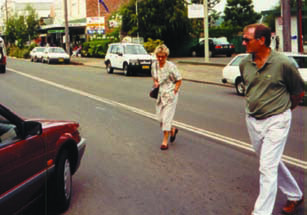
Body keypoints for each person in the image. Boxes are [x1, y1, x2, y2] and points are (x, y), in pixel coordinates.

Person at [239, 23, 305, 215]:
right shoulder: (245, 63)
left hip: (277, 120)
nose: (243, 43)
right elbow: (251, 88)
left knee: (267, 168)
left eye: (247, 39)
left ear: (262, 41)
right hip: (252, 120)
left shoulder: (283, 63)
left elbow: (298, 93)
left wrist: (283, 111)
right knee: (269, 162)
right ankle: (295, 194)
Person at [151, 44, 182, 150]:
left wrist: (175, 90)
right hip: (160, 94)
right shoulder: (154, 65)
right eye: (158, 56)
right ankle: (172, 130)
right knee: (160, 118)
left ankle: (165, 141)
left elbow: (179, 79)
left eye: (162, 56)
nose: (160, 58)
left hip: (170, 94)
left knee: (166, 118)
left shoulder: (171, 66)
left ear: (166, 56)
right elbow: (155, 77)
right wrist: (155, 83)